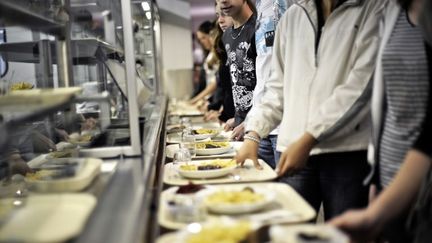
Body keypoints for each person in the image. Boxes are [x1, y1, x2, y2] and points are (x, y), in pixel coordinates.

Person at [236, 0, 387, 220]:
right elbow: (277, 87)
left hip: (346, 151)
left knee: (343, 233)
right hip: (292, 146)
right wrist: (253, 133)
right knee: (290, 229)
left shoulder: (372, 8)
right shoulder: (293, 15)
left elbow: (361, 87)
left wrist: (309, 138)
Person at [330, 0, 432, 242]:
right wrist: (376, 177)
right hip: (391, 177)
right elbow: (383, 101)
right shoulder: (393, 10)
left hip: (421, 184)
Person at [250, 0, 290, 168]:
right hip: (262, 125)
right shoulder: (260, 7)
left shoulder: (289, 5)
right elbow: (264, 67)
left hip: (284, 127)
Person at [219, 0, 257, 141]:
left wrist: (251, 121)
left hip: (262, 123)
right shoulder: (226, 35)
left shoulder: (257, 27)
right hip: (242, 125)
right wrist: (238, 117)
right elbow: (238, 83)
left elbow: (267, 79)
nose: (223, 1)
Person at [192, 20, 214, 97]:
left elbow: (215, 83)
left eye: (203, 38)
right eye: (200, 39)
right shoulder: (209, 55)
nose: (202, 42)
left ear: (211, 35)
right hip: (209, 98)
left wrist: (195, 99)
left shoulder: (216, 55)